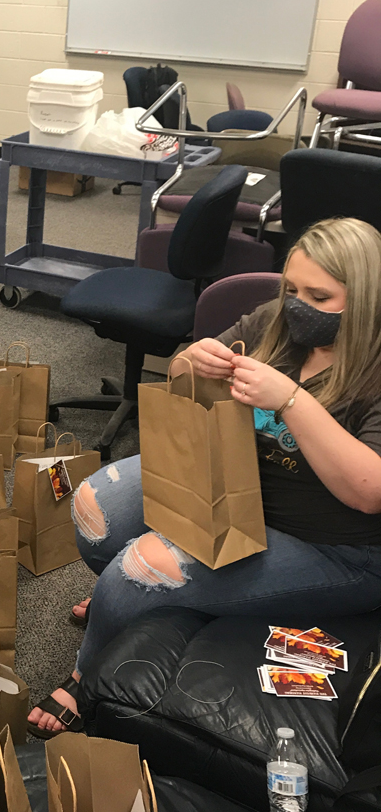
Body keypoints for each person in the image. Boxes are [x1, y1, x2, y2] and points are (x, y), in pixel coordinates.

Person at [29, 217, 381, 737]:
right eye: (291, 288)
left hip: (335, 548)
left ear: (368, 298)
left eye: (319, 296)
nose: (297, 304)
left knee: (142, 570)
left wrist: (289, 400)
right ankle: (130, 608)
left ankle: (87, 672)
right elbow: (180, 373)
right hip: (244, 494)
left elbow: (368, 492)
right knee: (93, 508)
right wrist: (189, 360)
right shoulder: (276, 323)